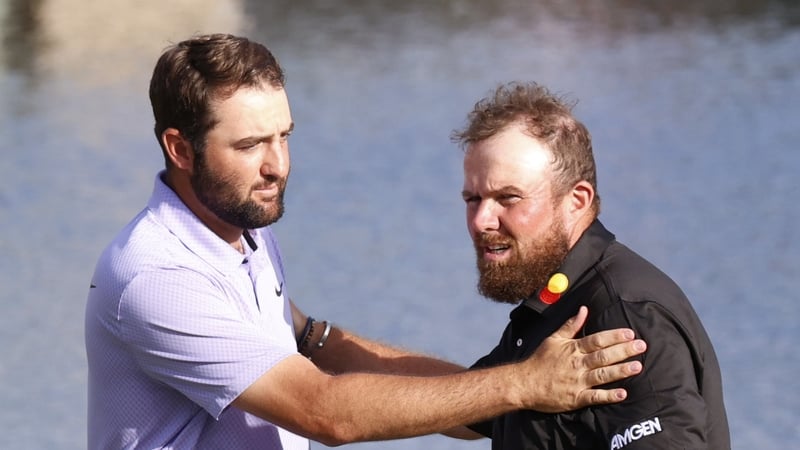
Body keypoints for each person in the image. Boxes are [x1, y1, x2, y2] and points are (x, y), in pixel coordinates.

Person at [84, 34, 647, 450]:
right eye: (250, 144)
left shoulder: (238, 229)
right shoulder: (158, 276)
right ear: (181, 149)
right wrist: (521, 386)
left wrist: (481, 403)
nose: (277, 165)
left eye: (284, 136)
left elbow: (299, 340)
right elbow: (323, 413)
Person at [452, 81, 731, 449]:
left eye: (508, 197)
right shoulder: (554, 302)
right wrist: (352, 357)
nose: (481, 220)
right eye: (473, 199)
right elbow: (464, 411)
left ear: (576, 200)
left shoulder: (623, 315)